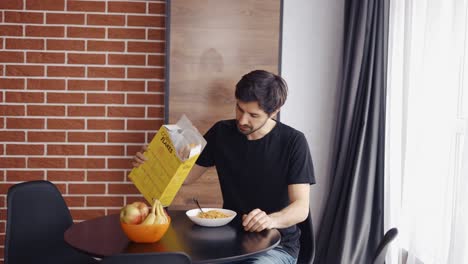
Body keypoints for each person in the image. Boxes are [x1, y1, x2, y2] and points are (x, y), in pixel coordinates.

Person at [133, 70, 315, 264]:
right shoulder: (221, 132)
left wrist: (271, 220)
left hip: (277, 246)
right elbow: (186, 177)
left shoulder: (293, 141)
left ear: (274, 111)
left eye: (253, 115)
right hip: (230, 241)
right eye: (239, 108)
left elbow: (301, 208)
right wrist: (154, 164)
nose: (243, 120)